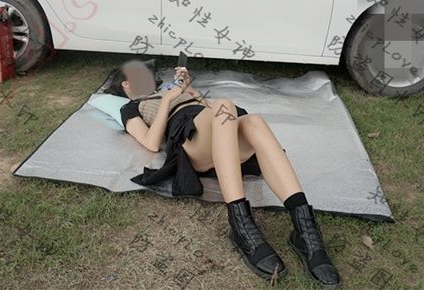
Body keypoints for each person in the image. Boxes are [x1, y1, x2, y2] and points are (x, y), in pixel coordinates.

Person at [104, 59, 341, 286]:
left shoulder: (172, 90)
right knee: (224, 104)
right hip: (188, 141)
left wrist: (191, 91)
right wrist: (167, 100)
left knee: (254, 122)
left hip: (216, 132)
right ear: (126, 84)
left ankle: (304, 231)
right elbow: (151, 143)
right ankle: (241, 226)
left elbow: (222, 118)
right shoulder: (131, 107)